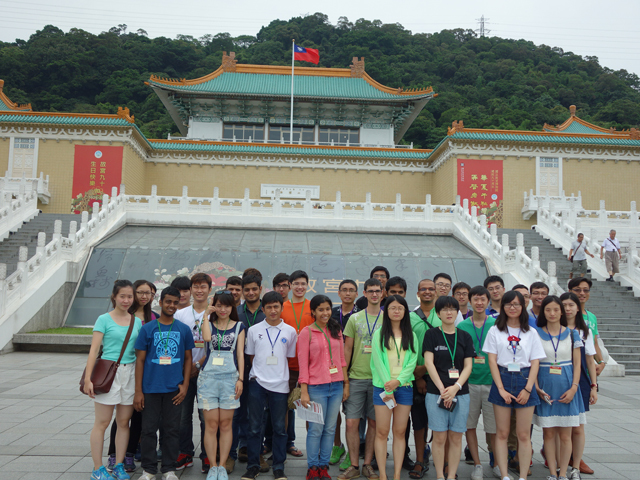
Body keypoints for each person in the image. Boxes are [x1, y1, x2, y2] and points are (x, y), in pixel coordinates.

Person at [483, 291, 545, 480]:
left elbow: (535, 362)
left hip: (524, 379)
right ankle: (504, 475)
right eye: (508, 304)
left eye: (516, 304)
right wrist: (500, 388)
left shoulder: (531, 332)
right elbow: (492, 361)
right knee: (501, 433)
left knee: (523, 434)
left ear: (522, 306)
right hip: (502, 377)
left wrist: (528, 389)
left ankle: (523, 476)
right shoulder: (495, 330)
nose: (512, 307)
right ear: (503, 307)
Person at [134, 286, 194, 480]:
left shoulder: (183, 329)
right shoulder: (147, 328)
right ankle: (149, 469)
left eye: (175, 303)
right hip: (151, 388)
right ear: (160, 302)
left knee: (171, 430)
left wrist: (184, 385)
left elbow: (187, 359)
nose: (171, 306)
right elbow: (140, 361)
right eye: (168, 302)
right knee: (149, 430)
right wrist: (138, 391)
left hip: (173, 389)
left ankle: (169, 468)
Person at [86, 280, 142, 480]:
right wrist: (87, 379)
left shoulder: (136, 321)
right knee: (102, 422)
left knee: (124, 422)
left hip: (130, 372)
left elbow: (138, 350)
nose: (126, 300)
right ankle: (97, 468)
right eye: (122, 296)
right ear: (114, 297)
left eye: (129, 296)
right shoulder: (104, 319)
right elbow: (94, 350)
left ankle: (118, 464)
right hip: (109, 373)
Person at [241, 291, 297, 480]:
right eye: (269, 307)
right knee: (254, 427)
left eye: (276, 307)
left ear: (282, 308)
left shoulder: (290, 331)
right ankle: (253, 465)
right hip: (257, 383)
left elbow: (288, 357)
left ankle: (279, 466)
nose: (273, 311)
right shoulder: (254, 330)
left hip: (280, 385)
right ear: (263, 309)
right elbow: (251, 356)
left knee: (280, 428)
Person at [106, 279, 157, 473]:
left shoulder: (153, 317)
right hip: (123, 369)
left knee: (138, 414)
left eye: (149, 293)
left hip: (144, 370)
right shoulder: (125, 315)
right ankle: (113, 454)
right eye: (140, 292)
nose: (144, 296)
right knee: (120, 416)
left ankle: (129, 453)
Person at [533, 296, 585, 480]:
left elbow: (578, 364)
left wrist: (573, 388)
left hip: (567, 386)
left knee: (566, 434)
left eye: (556, 309)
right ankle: (552, 473)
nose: (552, 313)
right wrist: (536, 387)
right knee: (548, 433)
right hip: (545, 387)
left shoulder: (573, 334)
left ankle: (563, 473)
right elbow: (535, 364)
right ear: (543, 312)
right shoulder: (536, 333)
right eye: (548, 310)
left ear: (561, 311)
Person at [424, 296, 474, 480]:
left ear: (458, 312)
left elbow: (468, 366)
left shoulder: (464, 336)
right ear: (438, 313)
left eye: (453, 309)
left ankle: (451, 475)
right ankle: (439, 475)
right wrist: (443, 389)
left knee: (455, 437)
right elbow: (429, 363)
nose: (449, 312)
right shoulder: (432, 335)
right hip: (436, 394)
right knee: (439, 437)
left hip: (460, 394)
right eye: (444, 309)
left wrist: (456, 387)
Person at [299, 295, 349, 480]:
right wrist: (304, 390)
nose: (325, 313)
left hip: (335, 386)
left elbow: (342, 360)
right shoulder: (307, 332)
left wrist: (346, 384)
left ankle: (323, 466)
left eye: (328, 309)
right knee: (315, 429)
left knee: (330, 428)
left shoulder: (336, 330)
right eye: (320, 309)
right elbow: (303, 363)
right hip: (316, 388)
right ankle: (312, 467)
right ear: (313, 311)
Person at [339, 279, 383, 480]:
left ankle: (368, 464)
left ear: (382, 293)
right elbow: (347, 348)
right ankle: (354, 464)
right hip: (356, 378)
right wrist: (344, 377)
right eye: (371, 291)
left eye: (378, 291)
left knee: (374, 424)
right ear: (364, 293)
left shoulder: (388, 318)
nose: (374, 294)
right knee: (351, 423)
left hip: (379, 380)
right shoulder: (354, 319)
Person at [199, 290, 246, 480]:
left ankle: (221, 465)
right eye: (219, 305)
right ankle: (212, 465)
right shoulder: (209, 324)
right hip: (208, 379)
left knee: (226, 424)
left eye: (227, 306)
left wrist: (240, 379)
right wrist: (205, 314)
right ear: (214, 306)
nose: (223, 309)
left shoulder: (239, 327)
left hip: (230, 380)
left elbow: (241, 355)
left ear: (232, 307)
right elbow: (207, 339)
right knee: (211, 425)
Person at [371, 295, 418, 480]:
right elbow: (377, 362)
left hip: (404, 387)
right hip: (382, 388)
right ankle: (383, 474)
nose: (396, 311)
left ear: (405, 311)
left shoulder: (411, 335)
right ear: (386, 311)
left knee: (400, 432)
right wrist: (389, 387)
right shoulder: (379, 333)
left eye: (400, 308)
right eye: (392, 308)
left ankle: (397, 474)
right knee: (382, 432)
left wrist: (398, 382)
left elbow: (412, 362)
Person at [457, 286, 497, 480]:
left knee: (494, 427)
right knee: (469, 425)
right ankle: (477, 464)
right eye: (476, 299)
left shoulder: (497, 325)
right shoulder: (463, 326)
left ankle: (497, 463)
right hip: (469, 383)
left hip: (492, 382)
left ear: (488, 302)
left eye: (483, 299)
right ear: (470, 302)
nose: (479, 303)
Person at [174, 273, 212, 473]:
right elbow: (178, 344)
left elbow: (215, 346)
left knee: (206, 417)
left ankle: (207, 455)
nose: (199, 290)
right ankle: (184, 452)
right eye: (195, 286)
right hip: (185, 373)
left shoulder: (213, 313)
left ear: (209, 289)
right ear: (190, 290)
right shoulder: (181, 314)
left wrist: (198, 366)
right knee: (182, 415)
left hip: (207, 373)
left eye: (203, 286)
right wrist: (188, 369)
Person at [559, 292, 598, 480]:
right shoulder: (554, 329)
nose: (567, 309)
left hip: (580, 381)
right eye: (564, 305)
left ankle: (575, 466)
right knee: (559, 426)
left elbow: (590, 361)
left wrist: (594, 386)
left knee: (578, 427)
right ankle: (561, 464)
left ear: (577, 307)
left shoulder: (585, 331)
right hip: (558, 380)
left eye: (571, 305)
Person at [231, 275, 267, 470]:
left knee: (258, 415)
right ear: (243, 291)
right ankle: (232, 453)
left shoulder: (268, 311)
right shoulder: (235, 312)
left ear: (260, 288)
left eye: (254, 289)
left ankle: (257, 452)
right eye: (247, 290)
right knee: (235, 413)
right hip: (237, 370)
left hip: (261, 371)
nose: (251, 293)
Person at [408, 278, 441, 478]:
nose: (427, 292)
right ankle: (420, 460)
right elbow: (407, 349)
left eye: (431, 289)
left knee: (440, 422)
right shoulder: (410, 318)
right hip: (416, 376)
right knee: (418, 422)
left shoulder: (444, 315)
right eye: (423, 289)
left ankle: (442, 460)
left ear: (436, 292)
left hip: (440, 378)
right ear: (418, 293)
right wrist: (417, 376)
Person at [281, 270, 314, 457]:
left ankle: (313, 450)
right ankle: (285, 444)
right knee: (284, 407)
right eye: (296, 284)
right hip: (287, 366)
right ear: (290, 286)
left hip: (309, 366)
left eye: (303, 283)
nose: (300, 287)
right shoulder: (282, 306)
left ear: (307, 285)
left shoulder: (313, 306)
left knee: (311, 408)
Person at [330, 279, 360, 465]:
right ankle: (337, 445)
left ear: (357, 294)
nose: (348, 293)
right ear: (339, 293)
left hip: (353, 369)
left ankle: (352, 451)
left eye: (351, 290)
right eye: (344, 290)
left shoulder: (361, 315)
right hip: (332, 369)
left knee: (352, 414)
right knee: (333, 412)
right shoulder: (331, 313)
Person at [567, 278, 605, 378]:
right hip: (569, 367)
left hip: (587, 369)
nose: (582, 293)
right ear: (569, 291)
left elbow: (594, 342)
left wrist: (601, 362)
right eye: (577, 290)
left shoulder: (591, 316)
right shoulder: (567, 315)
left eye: (586, 290)